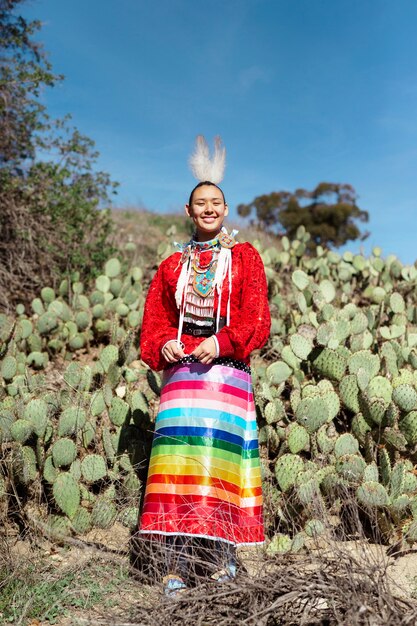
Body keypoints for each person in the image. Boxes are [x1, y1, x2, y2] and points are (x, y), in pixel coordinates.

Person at [138, 136, 271, 596]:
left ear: (226, 209)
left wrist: (222, 341)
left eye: (216, 202)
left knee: (219, 466)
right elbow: (155, 321)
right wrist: (163, 347)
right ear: (188, 211)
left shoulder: (245, 258)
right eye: (201, 203)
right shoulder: (172, 265)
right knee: (179, 466)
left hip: (227, 377)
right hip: (180, 384)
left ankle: (221, 564)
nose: (209, 209)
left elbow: (257, 318)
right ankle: (175, 566)